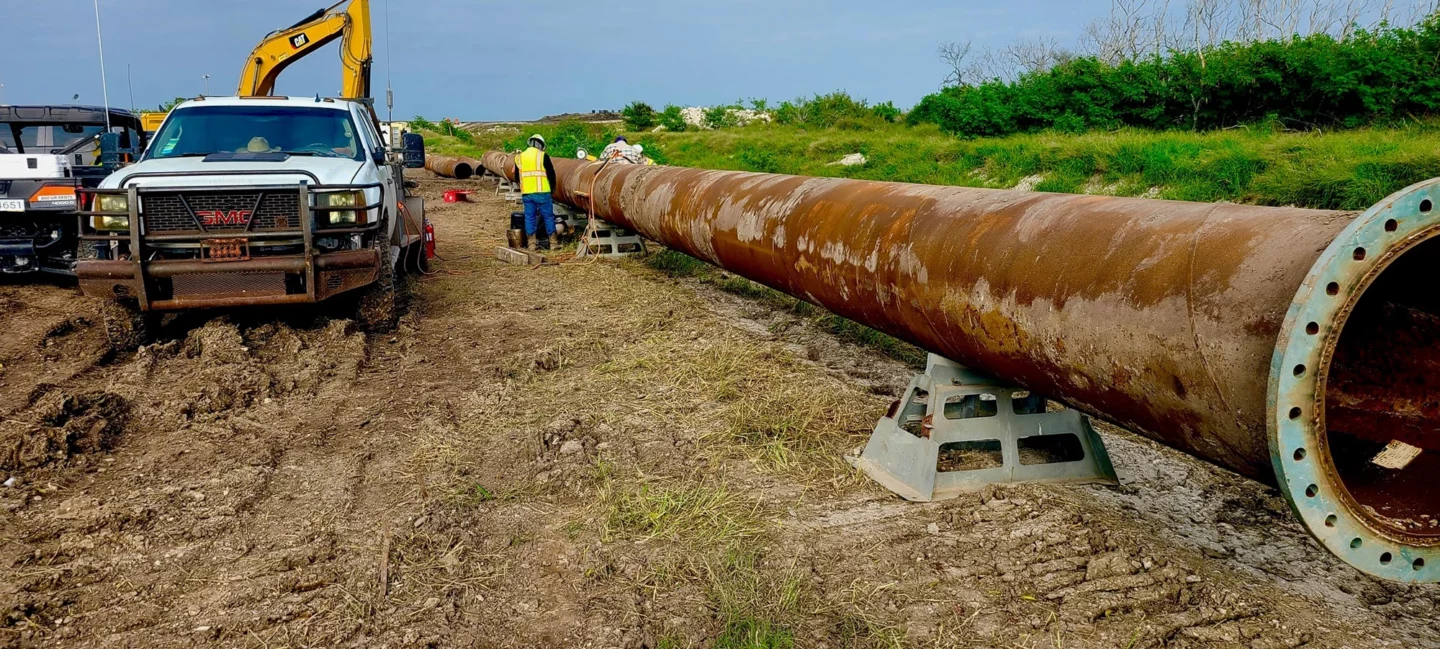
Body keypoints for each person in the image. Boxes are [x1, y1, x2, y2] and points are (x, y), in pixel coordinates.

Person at [513, 134, 558, 250]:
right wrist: (553, 187)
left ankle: (531, 244)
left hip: (527, 193)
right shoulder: (543, 156)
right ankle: (553, 243)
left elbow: (517, 176)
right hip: (542, 191)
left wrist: (523, 186)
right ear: (541, 145)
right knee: (548, 216)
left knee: (529, 217)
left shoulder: (519, 157)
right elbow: (551, 173)